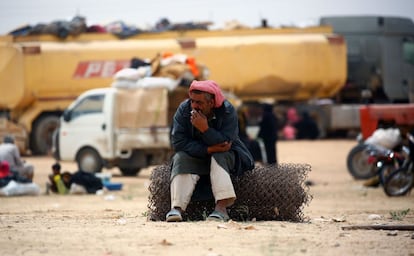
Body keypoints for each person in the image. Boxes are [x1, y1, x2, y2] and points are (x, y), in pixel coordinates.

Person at [166, 80, 255, 222]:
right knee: (180, 157)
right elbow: (178, 143)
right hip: (199, 155)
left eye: (199, 103)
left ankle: (221, 209)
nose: (194, 106)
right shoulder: (184, 110)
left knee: (219, 155)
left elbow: (225, 143)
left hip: (229, 156)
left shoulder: (227, 110)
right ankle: (176, 208)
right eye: (192, 101)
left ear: (211, 103)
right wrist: (207, 149)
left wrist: (205, 129)